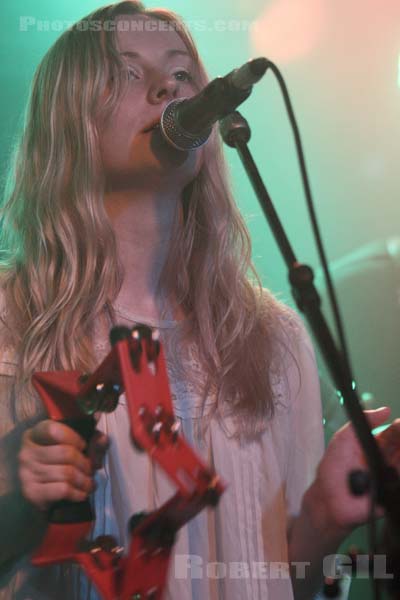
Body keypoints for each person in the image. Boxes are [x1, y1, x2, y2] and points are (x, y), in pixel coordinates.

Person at [0, 2, 398, 599]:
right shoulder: (11, 320)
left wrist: (321, 516)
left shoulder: (272, 337)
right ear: (68, 120)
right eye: (127, 73)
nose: (166, 86)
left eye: (182, 73)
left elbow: (279, 581)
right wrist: (14, 495)